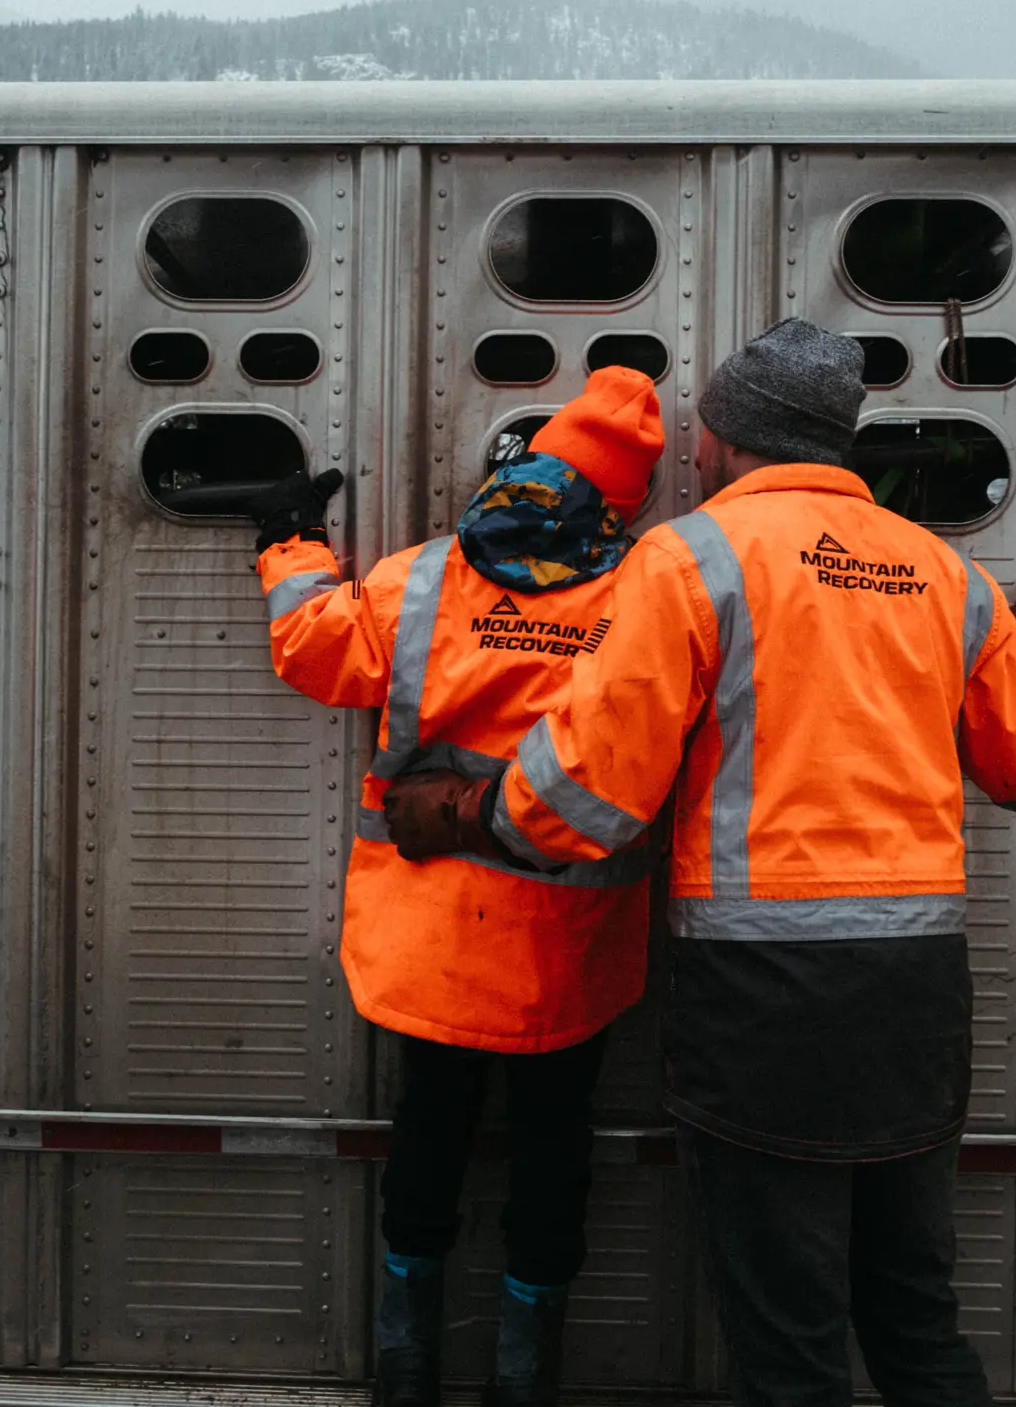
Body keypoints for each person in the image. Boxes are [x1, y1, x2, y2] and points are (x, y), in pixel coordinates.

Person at [381, 320, 1016, 1407]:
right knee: (912, 1316)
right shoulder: (941, 574)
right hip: (916, 999)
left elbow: (575, 805)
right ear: (835, 443)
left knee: (787, 1337)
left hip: (766, 999)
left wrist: (458, 810)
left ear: (720, 440)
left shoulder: (693, 559)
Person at [249, 368, 669, 1407]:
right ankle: (524, 1375)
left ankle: (405, 1366)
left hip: (427, 939)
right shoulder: (640, 598)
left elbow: (312, 650)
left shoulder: (428, 576)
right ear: (628, 501)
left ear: (533, 462)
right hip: (568, 950)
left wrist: (290, 540)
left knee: (427, 1138)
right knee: (551, 1151)